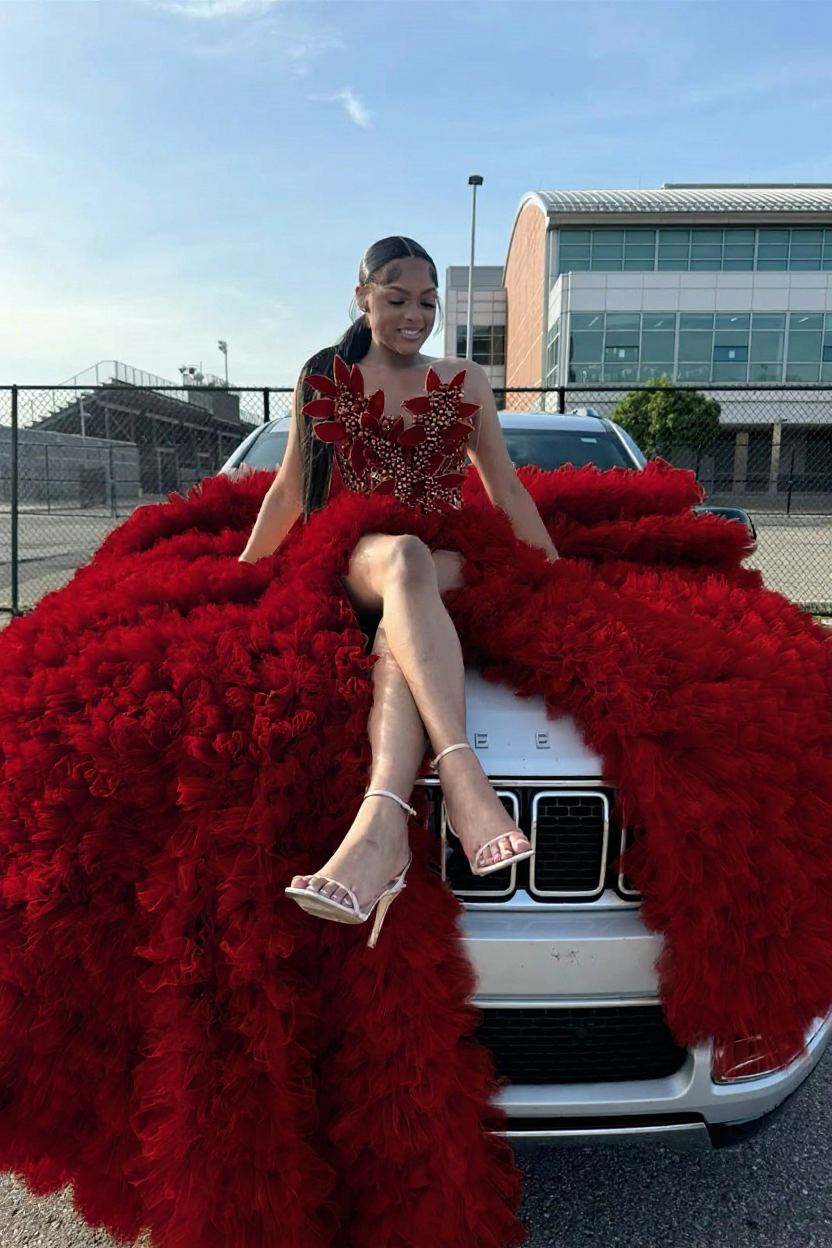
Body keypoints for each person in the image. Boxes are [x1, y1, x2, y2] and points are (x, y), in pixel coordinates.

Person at [238, 235, 559, 945]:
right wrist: (241, 576)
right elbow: (292, 488)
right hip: (362, 555)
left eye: (426, 302)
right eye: (396, 299)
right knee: (404, 561)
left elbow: (504, 489)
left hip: (445, 556)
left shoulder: (467, 380)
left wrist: (559, 576)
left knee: (409, 600)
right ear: (362, 300)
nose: (414, 315)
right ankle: (464, 780)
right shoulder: (322, 374)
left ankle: (381, 826)